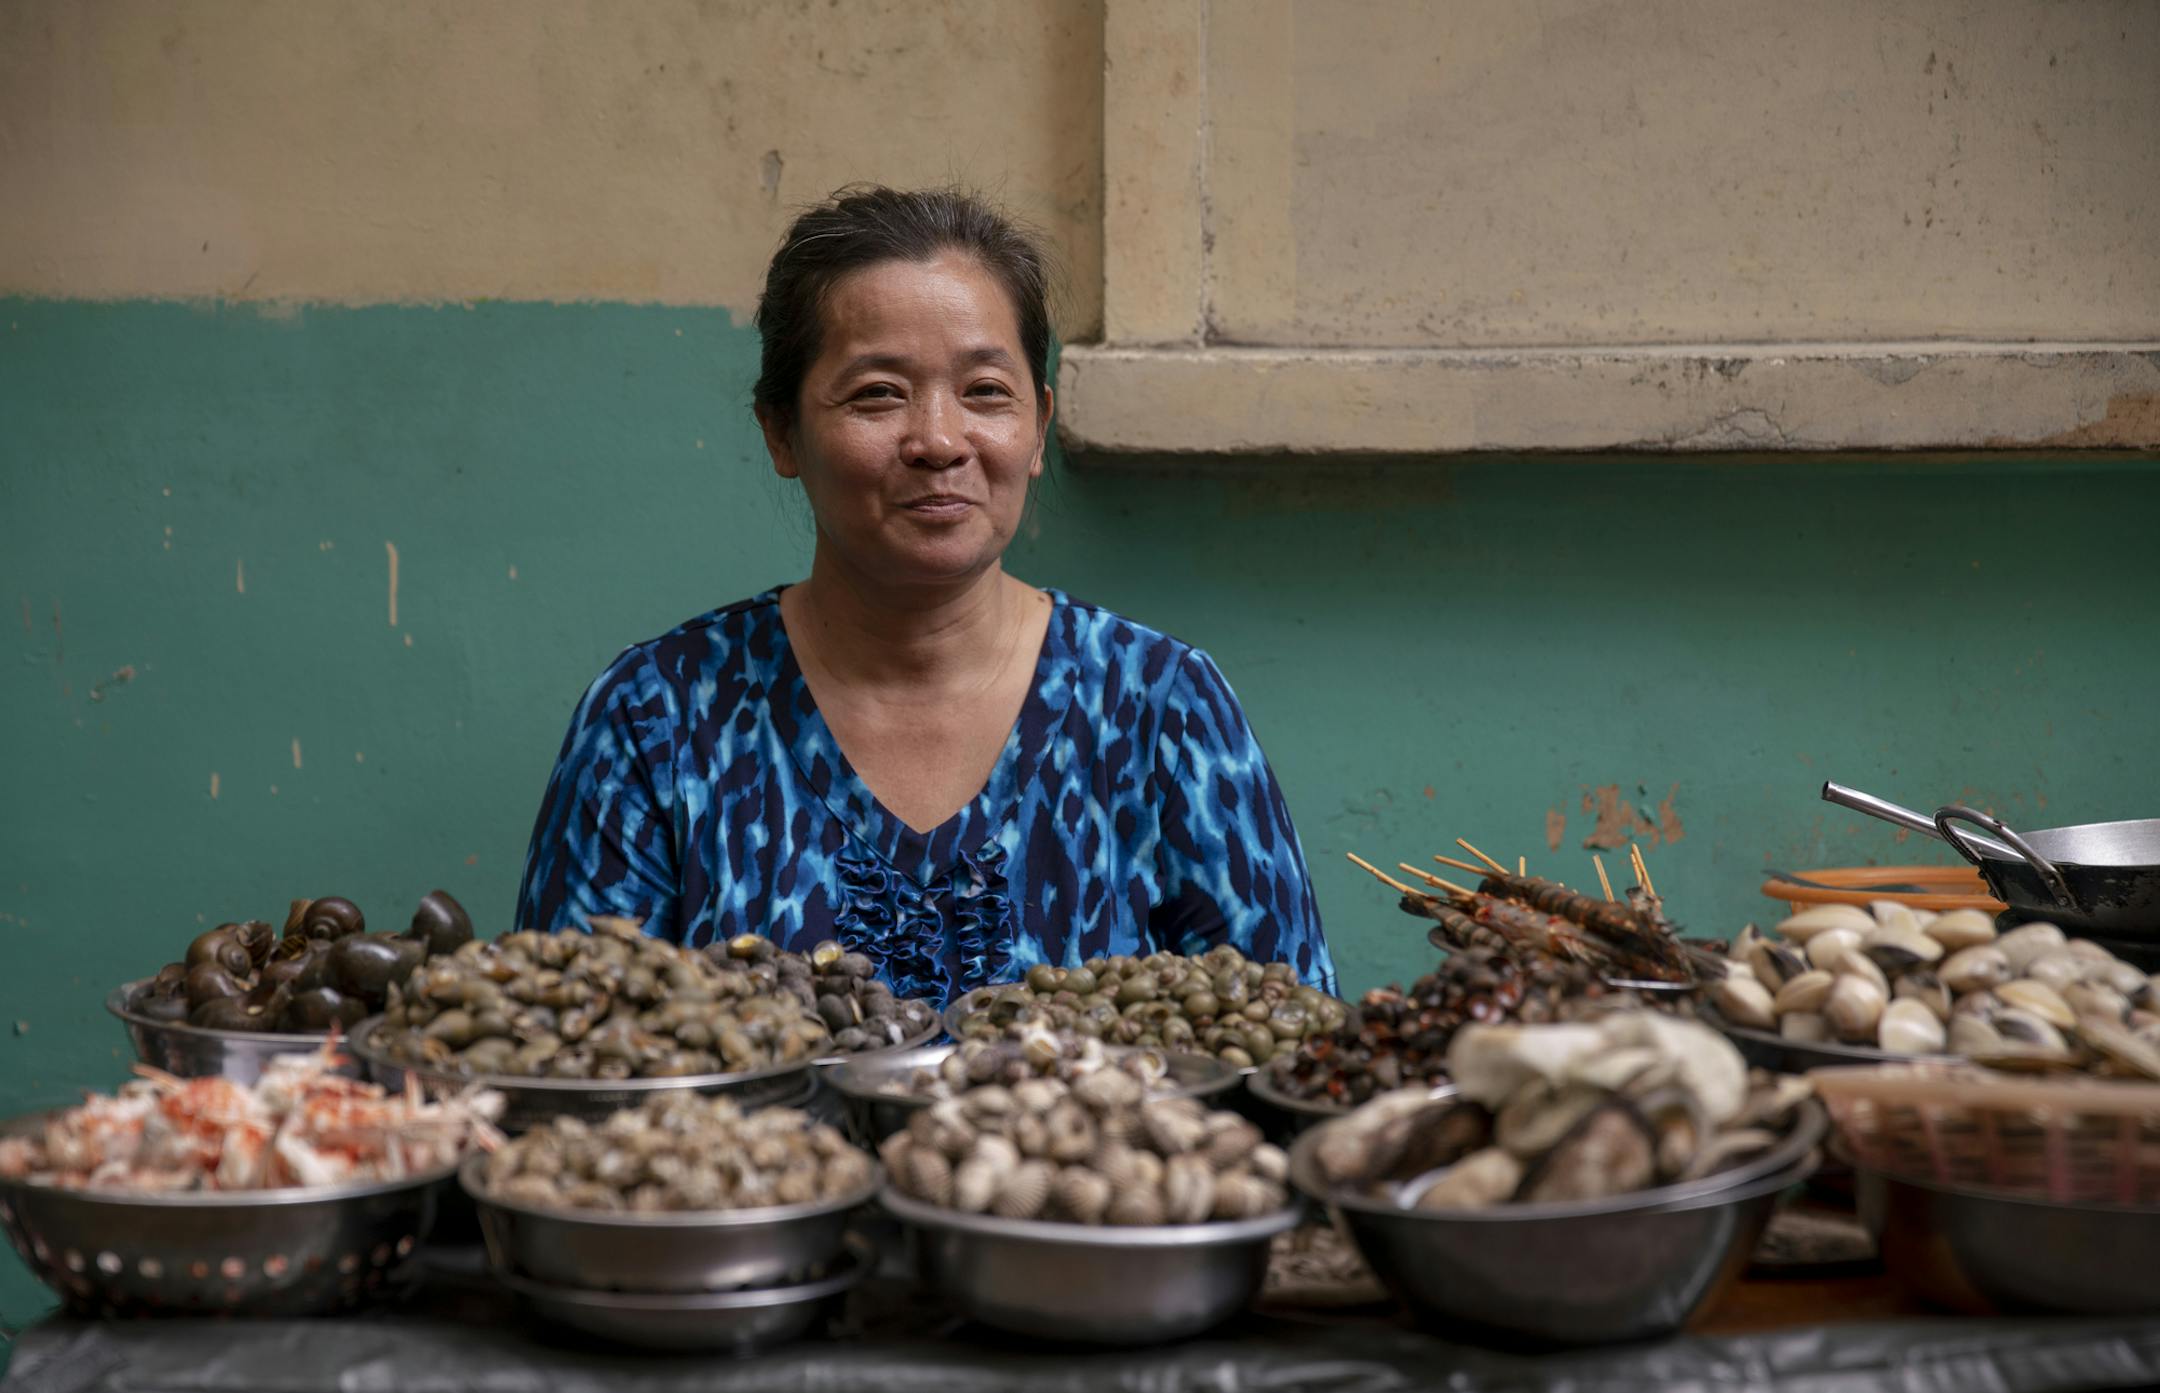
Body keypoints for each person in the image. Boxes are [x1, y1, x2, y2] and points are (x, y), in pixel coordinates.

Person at [516, 186, 1335, 1003]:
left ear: (1038, 426)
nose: (939, 441)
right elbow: (563, 1068)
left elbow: (1293, 1057)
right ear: (780, 430)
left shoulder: (1161, 710)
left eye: (985, 391)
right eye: (877, 393)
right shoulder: (658, 719)